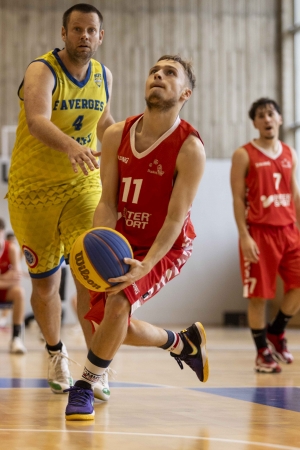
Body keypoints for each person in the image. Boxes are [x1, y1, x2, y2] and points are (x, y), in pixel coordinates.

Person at [64, 54, 208, 421]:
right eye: (154, 71)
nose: (158, 75)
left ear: (185, 92)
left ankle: (86, 385)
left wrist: (146, 263)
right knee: (103, 320)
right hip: (122, 236)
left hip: (164, 244)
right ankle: (180, 342)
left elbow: (175, 220)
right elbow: (107, 202)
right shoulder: (115, 134)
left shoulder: (190, 147)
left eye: (169, 73)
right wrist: (99, 240)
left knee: (118, 303)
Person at [7, 4, 114, 396]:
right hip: (31, 192)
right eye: (77, 29)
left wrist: (127, 144)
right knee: (46, 283)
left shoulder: (104, 76)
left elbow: (103, 122)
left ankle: (95, 368)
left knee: (91, 272)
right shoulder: (42, 70)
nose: (84, 36)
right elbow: (37, 120)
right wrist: (71, 145)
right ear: (63, 34)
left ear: (101, 36)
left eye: (91, 30)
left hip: (81, 185)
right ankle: (55, 352)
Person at [230, 97, 300, 374]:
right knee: (259, 296)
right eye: (261, 115)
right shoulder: (244, 154)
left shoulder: (290, 152)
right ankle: (262, 353)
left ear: (280, 119)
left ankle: (277, 332)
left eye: (271, 114)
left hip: (289, 231)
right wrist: (244, 236)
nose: (267, 119)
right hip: (259, 232)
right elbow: (237, 198)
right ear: (255, 123)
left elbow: (294, 194)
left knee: (296, 286)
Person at [0, 218, 27, 353]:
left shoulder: (11, 248)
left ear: (2, 232)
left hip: (6, 291)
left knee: (19, 292)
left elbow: (17, 279)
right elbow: (11, 277)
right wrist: (5, 277)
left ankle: (16, 338)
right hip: (5, 286)